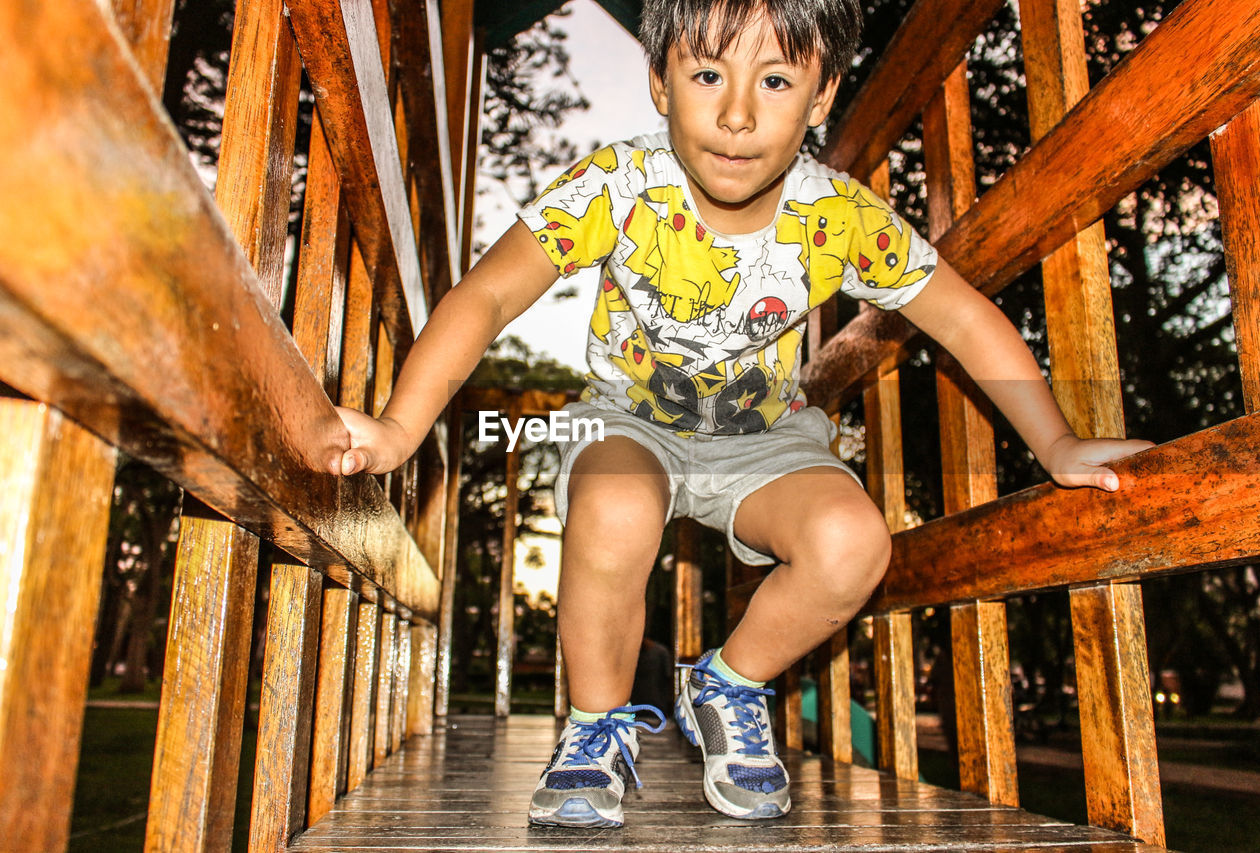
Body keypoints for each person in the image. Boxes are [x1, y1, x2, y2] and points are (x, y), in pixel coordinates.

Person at [333, 0, 1152, 829]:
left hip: (765, 441)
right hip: (628, 420)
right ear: (659, 81)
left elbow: (966, 318)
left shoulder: (835, 216)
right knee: (615, 503)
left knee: (853, 541)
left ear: (823, 93)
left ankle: (726, 682)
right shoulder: (618, 187)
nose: (735, 114)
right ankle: (594, 727)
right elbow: (488, 293)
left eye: (774, 79)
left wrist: (1054, 439)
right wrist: (401, 427)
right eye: (706, 74)